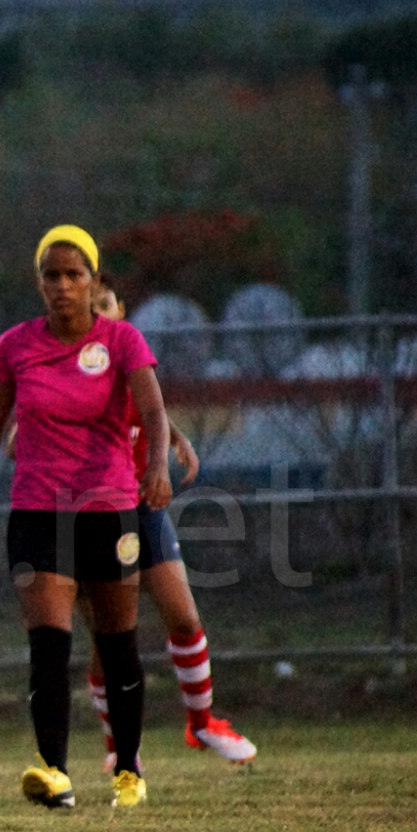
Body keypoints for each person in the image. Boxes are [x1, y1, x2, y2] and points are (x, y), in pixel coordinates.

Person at [0, 224, 170, 811]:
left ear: (94, 281)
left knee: (116, 644)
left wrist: (157, 468)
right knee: (48, 643)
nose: (63, 286)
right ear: (37, 282)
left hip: (110, 508)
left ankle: (128, 772)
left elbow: (154, 412)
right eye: (52, 275)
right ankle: (55, 771)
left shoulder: (121, 342)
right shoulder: (17, 346)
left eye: (74, 275)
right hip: (38, 510)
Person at [81, 278, 257, 769]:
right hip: (94, 514)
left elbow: (149, 408)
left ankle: (202, 725)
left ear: (121, 307)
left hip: (142, 506)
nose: (99, 314)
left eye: (105, 304)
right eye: (90, 308)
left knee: (183, 616)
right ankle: (119, 750)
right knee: (109, 637)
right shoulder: (71, 366)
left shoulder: (130, 353)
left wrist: (175, 439)